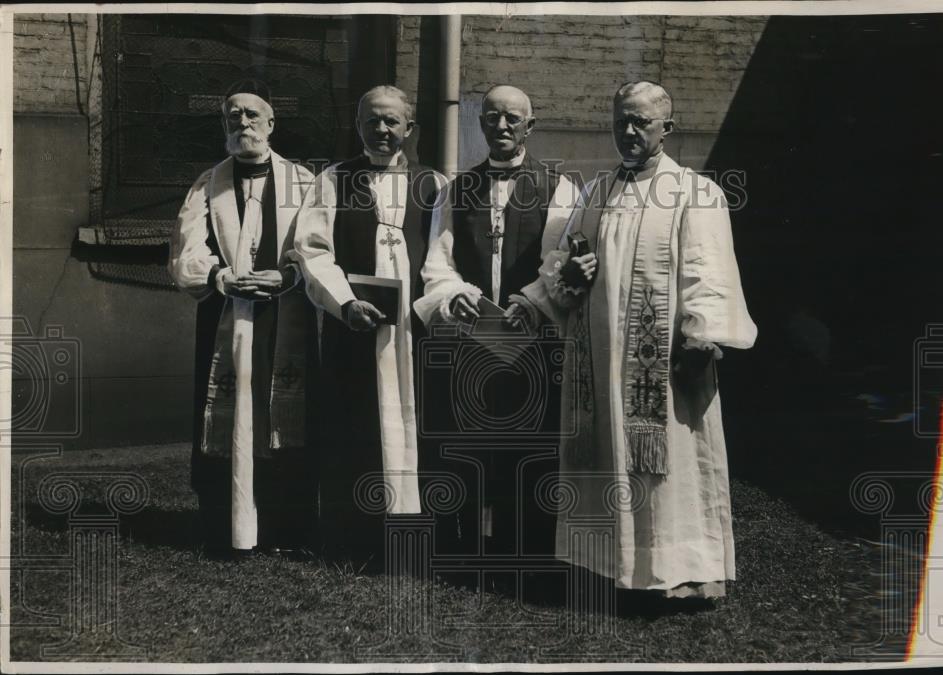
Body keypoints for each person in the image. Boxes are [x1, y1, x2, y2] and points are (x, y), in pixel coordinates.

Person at [516, 81, 757, 599]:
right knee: (607, 454)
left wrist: (702, 333)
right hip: (601, 356)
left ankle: (681, 573)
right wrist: (570, 276)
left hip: (666, 362)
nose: (627, 131)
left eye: (640, 122)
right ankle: (608, 569)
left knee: (669, 461)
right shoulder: (596, 192)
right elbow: (565, 260)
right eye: (620, 120)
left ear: (666, 129)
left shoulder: (694, 192)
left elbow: (707, 270)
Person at [415, 85, 579, 563]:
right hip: (473, 338)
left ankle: (526, 549)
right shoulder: (456, 188)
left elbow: (561, 261)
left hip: (533, 338)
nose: (501, 127)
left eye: (512, 118)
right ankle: (462, 548)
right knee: (466, 442)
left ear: (531, 125)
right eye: (491, 118)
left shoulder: (559, 188)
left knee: (530, 445)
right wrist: (455, 295)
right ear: (480, 124)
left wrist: (533, 301)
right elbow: (437, 263)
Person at [291, 85, 447, 570]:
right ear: (358, 127)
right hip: (356, 328)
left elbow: (445, 255)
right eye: (372, 121)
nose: (382, 130)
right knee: (355, 425)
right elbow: (311, 251)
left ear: (409, 128)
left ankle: (418, 542)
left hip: (414, 331)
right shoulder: (333, 180)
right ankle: (354, 538)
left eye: (392, 122)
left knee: (418, 426)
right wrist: (344, 302)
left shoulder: (436, 185)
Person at [169, 79, 317, 558]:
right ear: (224, 125)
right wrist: (219, 277)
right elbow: (185, 250)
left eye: (252, 114)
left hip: (284, 314)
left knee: (282, 413)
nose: (242, 122)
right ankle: (224, 528)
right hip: (225, 317)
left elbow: (318, 247)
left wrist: (289, 275)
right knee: (230, 413)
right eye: (233, 115)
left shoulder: (304, 183)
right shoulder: (207, 184)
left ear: (271, 123)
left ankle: (286, 528)